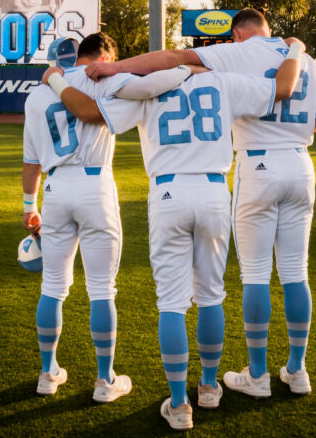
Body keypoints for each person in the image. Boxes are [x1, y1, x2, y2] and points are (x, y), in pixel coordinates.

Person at [43, 37, 305, 430]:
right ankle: (210, 386)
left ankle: (181, 404)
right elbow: (280, 91)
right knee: (211, 296)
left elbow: (92, 114)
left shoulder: (152, 83)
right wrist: (295, 49)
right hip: (215, 188)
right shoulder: (225, 80)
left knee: (171, 303)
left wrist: (60, 80)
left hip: (167, 191)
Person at [85, 9, 316, 398]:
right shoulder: (292, 60)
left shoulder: (227, 60)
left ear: (237, 34)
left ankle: (244, 379)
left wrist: (108, 69)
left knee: (236, 279)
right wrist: (297, 50)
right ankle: (291, 370)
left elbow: (161, 65)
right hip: (294, 165)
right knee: (290, 272)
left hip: (232, 171)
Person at [21, 32, 196, 402]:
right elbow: (154, 83)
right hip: (94, 184)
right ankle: (104, 380)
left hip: (54, 189)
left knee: (52, 286)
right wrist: (188, 66)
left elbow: (31, 159)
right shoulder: (108, 77)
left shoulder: (37, 95)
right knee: (101, 288)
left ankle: (47, 373)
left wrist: (28, 206)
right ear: (107, 56)